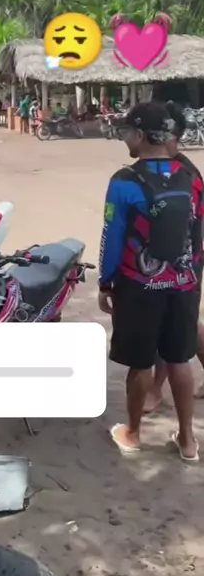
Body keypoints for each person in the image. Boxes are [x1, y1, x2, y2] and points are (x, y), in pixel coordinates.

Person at [98, 101, 199, 461]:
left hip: (138, 287)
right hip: (184, 284)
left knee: (140, 363)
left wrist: (105, 283)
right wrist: (191, 278)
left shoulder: (124, 181)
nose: (125, 137)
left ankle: (133, 433)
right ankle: (187, 441)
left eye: (126, 131)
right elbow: (197, 232)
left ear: (140, 135)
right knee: (179, 360)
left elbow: (112, 236)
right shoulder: (191, 175)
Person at [144, 101, 204, 412]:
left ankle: (155, 389)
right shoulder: (160, 168)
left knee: (171, 328)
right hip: (168, 261)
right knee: (186, 324)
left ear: (172, 135)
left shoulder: (185, 173)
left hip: (184, 263)